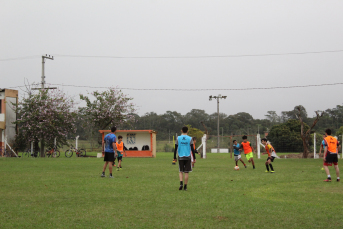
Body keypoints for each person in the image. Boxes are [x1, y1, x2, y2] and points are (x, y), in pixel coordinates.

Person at [173, 126, 196, 191]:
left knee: (181, 171)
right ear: (187, 131)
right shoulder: (190, 138)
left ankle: (181, 183)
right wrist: (194, 158)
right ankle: (185, 186)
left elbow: (175, 148)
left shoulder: (178, 138)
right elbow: (192, 149)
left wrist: (174, 157)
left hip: (180, 156)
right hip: (188, 156)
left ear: (181, 131)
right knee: (186, 172)